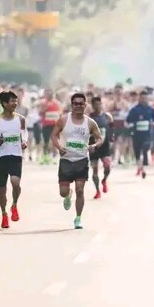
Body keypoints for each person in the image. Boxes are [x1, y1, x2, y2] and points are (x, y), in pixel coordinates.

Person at [51, 93, 104, 229]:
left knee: (80, 190)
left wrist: (94, 145)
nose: (78, 106)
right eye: (76, 103)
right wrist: (59, 147)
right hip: (66, 160)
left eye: (81, 103)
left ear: (85, 105)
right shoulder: (64, 120)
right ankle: (68, 195)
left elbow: (100, 138)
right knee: (63, 192)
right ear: (72, 105)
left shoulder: (90, 123)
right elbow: (54, 135)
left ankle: (78, 218)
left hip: (81, 160)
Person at [0, 91, 28, 228]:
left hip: (16, 155)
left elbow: (24, 132)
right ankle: (4, 213)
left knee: (15, 182)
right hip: (1, 157)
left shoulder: (20, 119)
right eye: (12, 101)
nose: (15, 103)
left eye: (16, 101)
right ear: (4, 103)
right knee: (2, 189)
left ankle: (14, 205)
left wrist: (24, 141)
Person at [126, 91, 154, 179]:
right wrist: (129, 126)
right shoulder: (134, 110)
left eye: (145, 98)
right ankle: (141, 168)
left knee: (145, 148)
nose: (144, 100)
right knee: (137, 152)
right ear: (139, 98)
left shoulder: (151, 109)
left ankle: (143, 166)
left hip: (147, 134)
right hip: (136, 134)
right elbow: (128, 121)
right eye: (142, 98)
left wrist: (153, 125)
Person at [88, 97, 114, 199]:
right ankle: (97, 191)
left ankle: (104, 180)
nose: (97, 106)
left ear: (101, 104)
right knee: (95, 169)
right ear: (92, 106)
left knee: (107, 166)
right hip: (93, 146)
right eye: (95, 105)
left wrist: (111, 140)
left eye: (98, 104)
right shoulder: (88, 118)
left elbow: (111, 129)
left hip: (105, 146)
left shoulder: (107, 116)